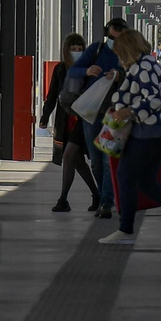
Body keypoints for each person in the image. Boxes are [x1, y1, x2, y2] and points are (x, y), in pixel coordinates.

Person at [101, 30, 161, 247]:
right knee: (144, 180)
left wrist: (129, 111)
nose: (119, 57)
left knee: (126, 175)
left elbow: (153, 98)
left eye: (120, 52)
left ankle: (126, 230)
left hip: (150, 130)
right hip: (160, 130)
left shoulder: (143, 67)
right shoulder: (146, 64)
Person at [69, 18, 127, 219]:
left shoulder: (128, 53)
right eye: (112, 34)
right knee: (95, 160)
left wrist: (120, 74)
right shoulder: (95, 50)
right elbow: (73, 71)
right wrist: (86, 70)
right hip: (92, 113)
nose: (114, 39)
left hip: (115, 112)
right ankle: (104, 197)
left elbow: (136, 77)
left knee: (108, 158)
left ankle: (106, 202)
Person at [40, 33, 100, 213]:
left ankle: (63, 199)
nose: (76, 52)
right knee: (77, 160)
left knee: (69, 156)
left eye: (79, 49)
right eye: (73, 49)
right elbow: (52, 95)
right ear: (66, 50)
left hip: (83, 120)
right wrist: (44, 117)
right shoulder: (60, 69)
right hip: (65, 119)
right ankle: (96, 195)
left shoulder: (90, 69)